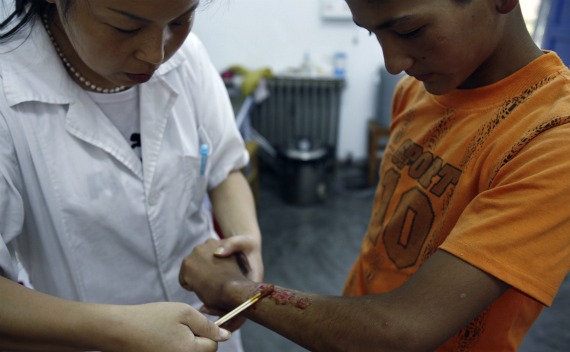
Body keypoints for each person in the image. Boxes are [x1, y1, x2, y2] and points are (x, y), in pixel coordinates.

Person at [180, 0, 570, 351]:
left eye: (409, 31)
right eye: (373, 32)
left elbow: (402, 331)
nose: (392, 62)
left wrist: (235, 290)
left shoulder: (553, 138)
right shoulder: (415, 93)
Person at [0, 0, 263, 350]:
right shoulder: (8, 94)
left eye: (181, 20)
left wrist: (247, 242)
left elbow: (225, 167)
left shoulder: (188, 59)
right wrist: (117, 328)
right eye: (127, 28)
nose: (156, 54)